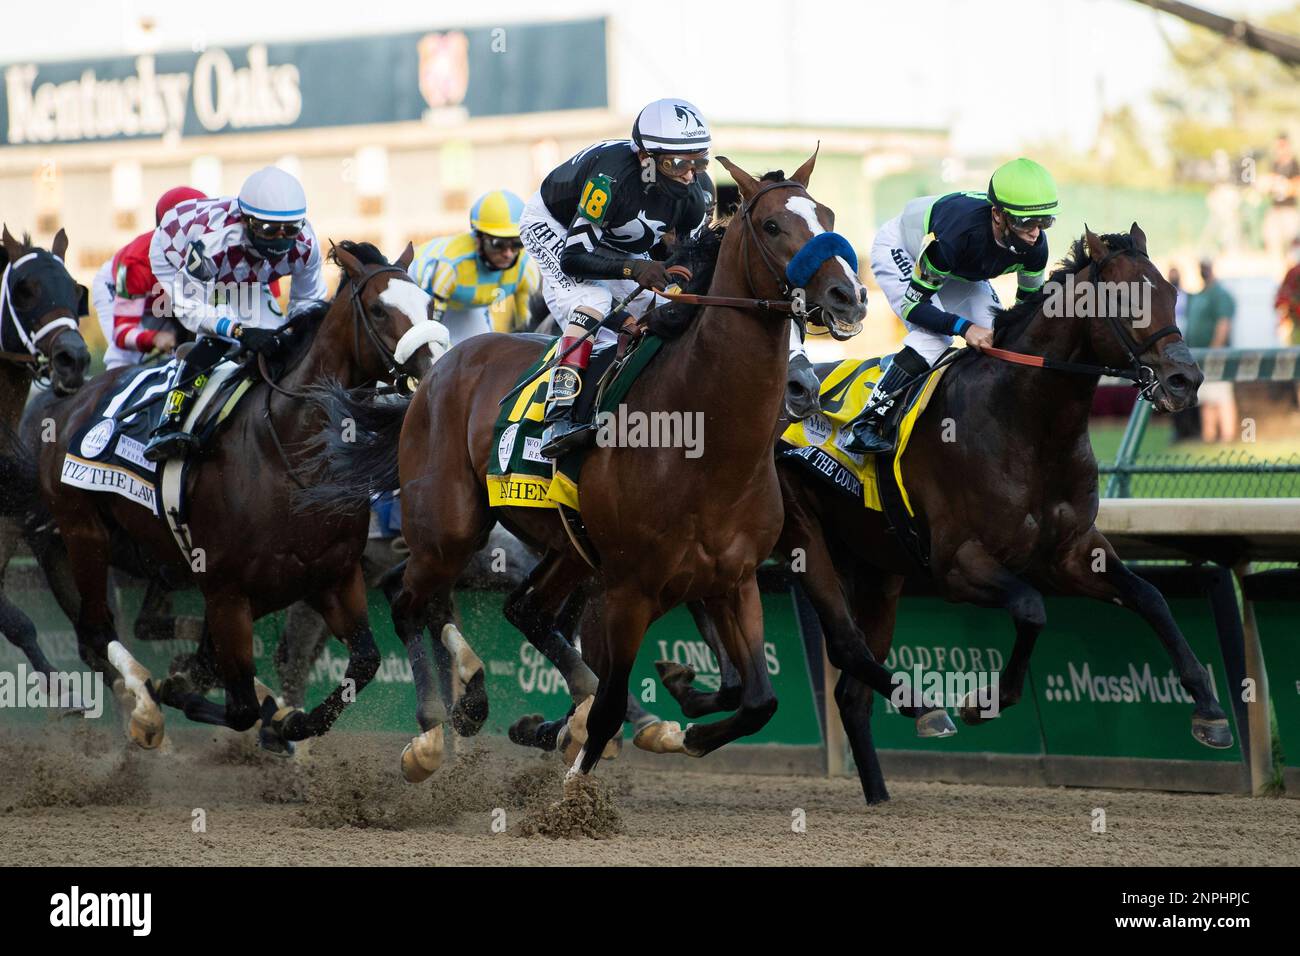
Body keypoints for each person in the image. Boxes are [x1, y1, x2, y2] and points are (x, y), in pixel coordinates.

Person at [519, 97, 714, 458]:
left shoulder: (694, 197)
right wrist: (634, 269)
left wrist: (679, 278)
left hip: (606, 236)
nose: (691, 174)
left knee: (661, 303)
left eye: (699, 160)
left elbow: (689, 263)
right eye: (678, 163)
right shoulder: (610, 182)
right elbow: (575, 258)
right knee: (592, 301)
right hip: (556, 227)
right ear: (646, 160)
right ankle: (560, 409)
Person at [844, 157, 1058, 454]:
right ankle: (867, 422)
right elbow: (913, 308)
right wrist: (964, 327)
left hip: (960, 268)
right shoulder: (956, 235)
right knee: (934, 337)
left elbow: (1026, 312)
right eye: (1026, 223)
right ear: (998, 215)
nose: (1036, 233)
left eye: (1045, 222)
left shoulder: (1037, 248)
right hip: (906, 249)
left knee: (1003, 336)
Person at [144, 166, 328, 461]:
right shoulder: (212, 243)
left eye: (290, 229)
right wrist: (238, 331)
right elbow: (193, 310)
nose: (282, 239)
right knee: (220, 339)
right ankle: (171, 421)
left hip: (247, 266)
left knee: (280, 340)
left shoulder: (306, 244)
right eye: (270, 230)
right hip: (180, 259)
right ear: (246, 221)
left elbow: (308, 302)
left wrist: (295, 335)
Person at [90, 187, 206, 370]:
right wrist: (153, 338)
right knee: (124, 355)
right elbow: (122, 333)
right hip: (120, 285)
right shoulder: (136, 263)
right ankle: (112, 393)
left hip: (163, 296)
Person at [409, 190, 540, 344]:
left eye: (517, 243)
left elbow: (526, 330)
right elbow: (431, 327)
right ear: (478, 239)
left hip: (466, 303)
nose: (508, 253)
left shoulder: (527, 270)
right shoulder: (450, 267)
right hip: (421, 293)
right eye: (498, 244)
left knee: (487, 349)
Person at [1185, 259, 1237, 444]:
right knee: (1206, 398)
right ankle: (1209, 436)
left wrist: (1214, 349)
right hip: (1199, 356)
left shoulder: (1220, 294)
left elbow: (1224, 323)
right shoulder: (1199, 295)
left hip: (1216, 355)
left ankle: (1227, 436)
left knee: (1222, 396)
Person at [1166, 265, 1201, 442]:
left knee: (1191, 388)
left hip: (1187, 350)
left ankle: (1194, 429)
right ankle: (1179, 430)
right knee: (1175, 389)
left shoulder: (1188, 297)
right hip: (1172, 353)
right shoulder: (1163, 299)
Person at [1263, 133, 1300, 263]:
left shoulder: (1294, 165)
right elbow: (1268, 183)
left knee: (1291, 246)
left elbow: (1296, 187)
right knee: (1272, 241)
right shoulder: (1275, 164)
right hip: (1275, 209)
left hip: (1289, 210)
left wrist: (1286, 187)